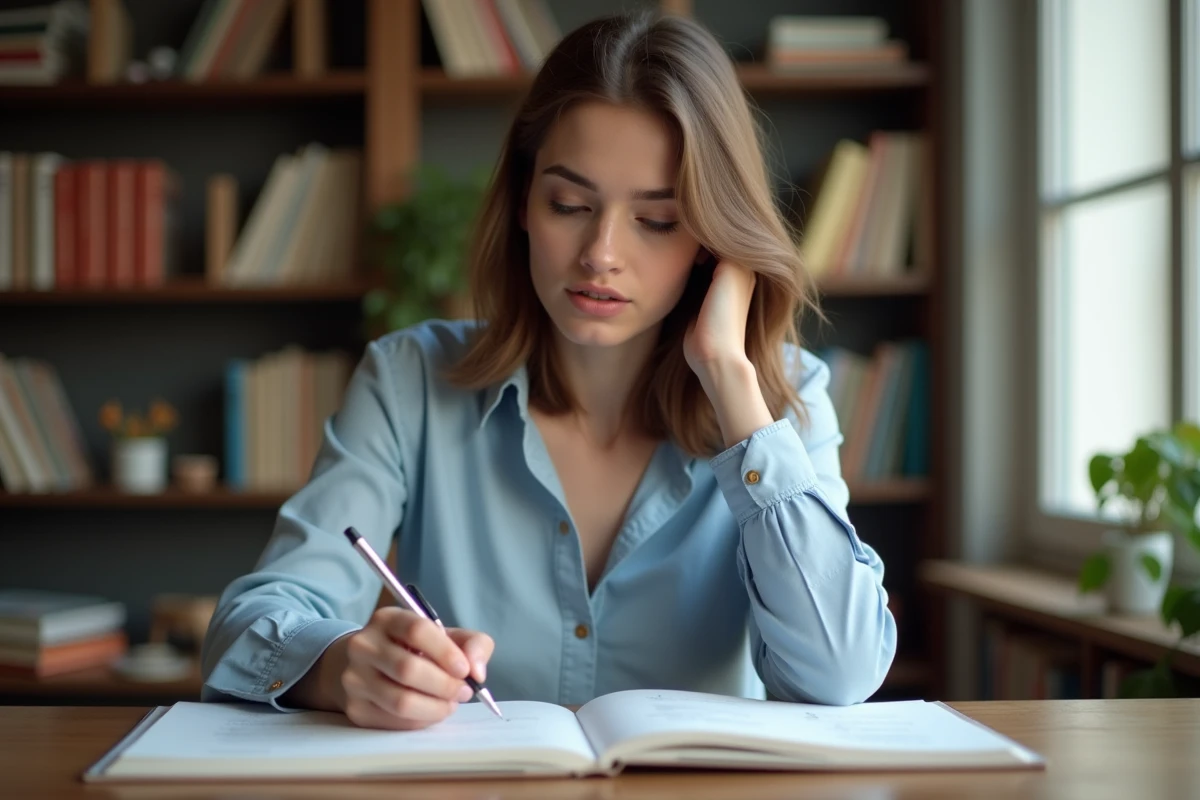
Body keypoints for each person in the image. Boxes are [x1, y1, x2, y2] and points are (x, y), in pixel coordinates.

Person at [201, 9, 896, 731]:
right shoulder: (409, 379)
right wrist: (345, 665)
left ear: (712, 242)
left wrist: (728, 376)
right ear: (525, 202)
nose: (600, 253)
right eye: (570, 203)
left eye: (656, 220)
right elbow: (245, 630)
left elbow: (840, 673)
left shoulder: (785, 398)